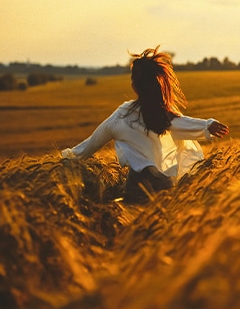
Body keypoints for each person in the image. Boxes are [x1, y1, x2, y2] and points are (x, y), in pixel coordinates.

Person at [60, 47, 228, 202]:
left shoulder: (121, 116)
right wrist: (208, 125)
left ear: (134, 86)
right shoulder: (163, 115)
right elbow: (184, 124)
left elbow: (92, 144)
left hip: (139, 188)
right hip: (166, 186)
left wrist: (68, 157)